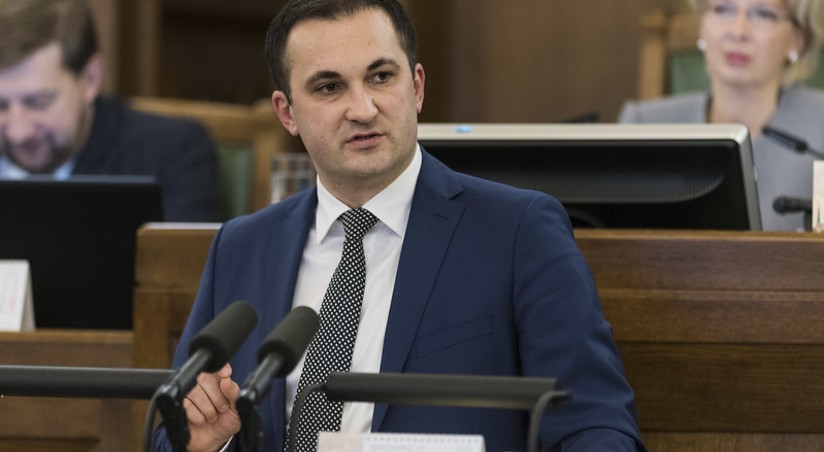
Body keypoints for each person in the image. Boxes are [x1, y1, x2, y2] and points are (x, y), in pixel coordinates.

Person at [155, 0, 645, 451]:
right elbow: (173, 430)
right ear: (288, 113)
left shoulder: (518, 232)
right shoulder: (241, 246)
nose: (363, 109)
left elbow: (595, 426)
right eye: (329, 87)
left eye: (381, 77)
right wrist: (207, 444)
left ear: (417, 86)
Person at [0, 0, 221, 222]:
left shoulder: (170, 153)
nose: (18, 133)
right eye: (1, 106)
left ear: (90, 78)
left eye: (37, 102)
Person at [618, 0, 824, 231]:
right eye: (723, 9)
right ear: (702, 26)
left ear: (798, 39)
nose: (738, 32)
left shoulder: (820, 127)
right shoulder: (643, 125)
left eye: (763, 14)